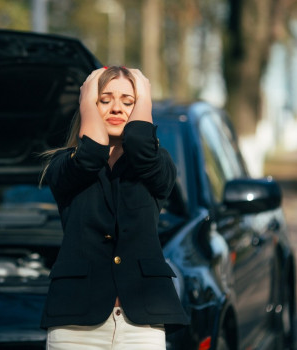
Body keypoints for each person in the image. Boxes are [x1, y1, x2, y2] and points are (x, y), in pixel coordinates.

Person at [40, 66, 189, 350]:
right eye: (104, 99)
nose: (117, 108)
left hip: (141, 323)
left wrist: (144, 95)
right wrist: (86, 96)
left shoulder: (157, 164)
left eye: (128, 101)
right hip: (75, 324)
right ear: (88, 107)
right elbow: (91, 153)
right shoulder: (63, 164)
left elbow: (140, 145)